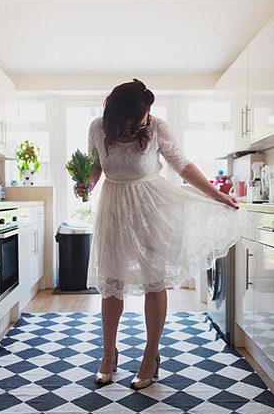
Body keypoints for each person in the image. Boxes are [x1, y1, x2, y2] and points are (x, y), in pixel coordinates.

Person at [74, 78, 253, 390]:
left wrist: (217, 195)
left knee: (153, 282)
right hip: (113, 207)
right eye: (138, 116)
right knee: (111, 283)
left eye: (145, 115)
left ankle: (150, 356)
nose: (144, 120)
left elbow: (182, 166)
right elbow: (95, 169)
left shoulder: (156, 127)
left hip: (151, 207)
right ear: (119, 114)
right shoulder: (97, 127)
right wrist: (85, 185)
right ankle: (107, 355)